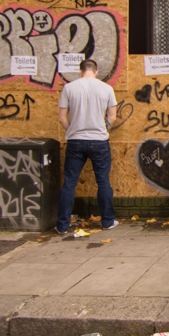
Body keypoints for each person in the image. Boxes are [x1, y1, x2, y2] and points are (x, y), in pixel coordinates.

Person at [56, 59, 119, 234]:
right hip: (99, 140)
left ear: (80, 70)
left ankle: (62, 225)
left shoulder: (69, 88)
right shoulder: (106, 88)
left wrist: (72, 131)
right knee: (103, 182)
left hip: (75, 140)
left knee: (69, 183)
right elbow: (112, 117)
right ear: (96, 71)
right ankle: (107, 221)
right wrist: (103, 129)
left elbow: (62, 117)